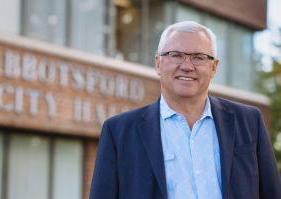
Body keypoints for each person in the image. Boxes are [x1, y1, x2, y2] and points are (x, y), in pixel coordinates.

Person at [89, 21, 281, 199]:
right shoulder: (118, 132)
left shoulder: (249, 121)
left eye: (199, 57)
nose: (187, 66)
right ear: (158, 63)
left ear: (214, 67)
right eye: (176, 55)